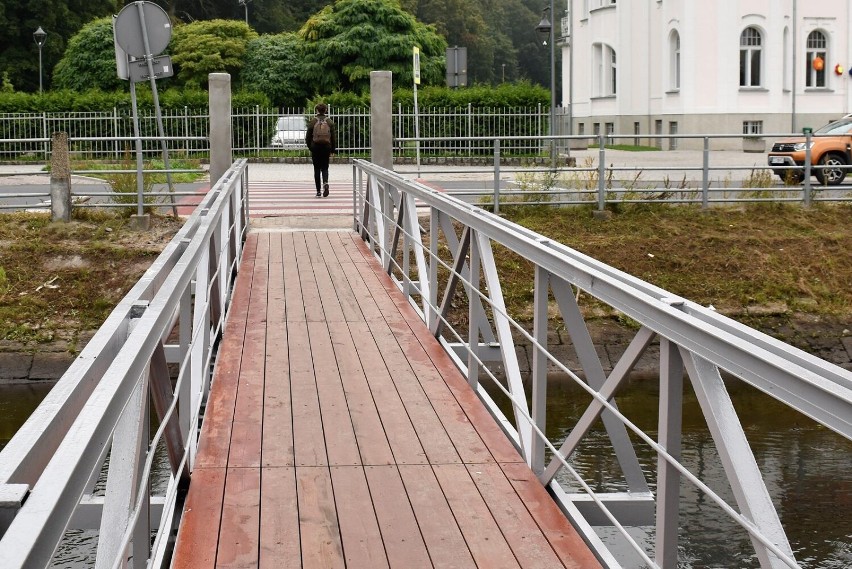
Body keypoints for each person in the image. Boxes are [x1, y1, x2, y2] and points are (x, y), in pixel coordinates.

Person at [305, 103, 337, 197]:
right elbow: (333, 138)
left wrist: (311, 147)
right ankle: (325, 183)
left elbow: (308, 137)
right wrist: (332, 150)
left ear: (317, 111)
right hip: (326, 147)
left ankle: (318, 191)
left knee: (317, 168)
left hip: (315, 147)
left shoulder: (313, 121)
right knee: (325, 167)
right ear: (325, 110)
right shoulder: (330, 122)